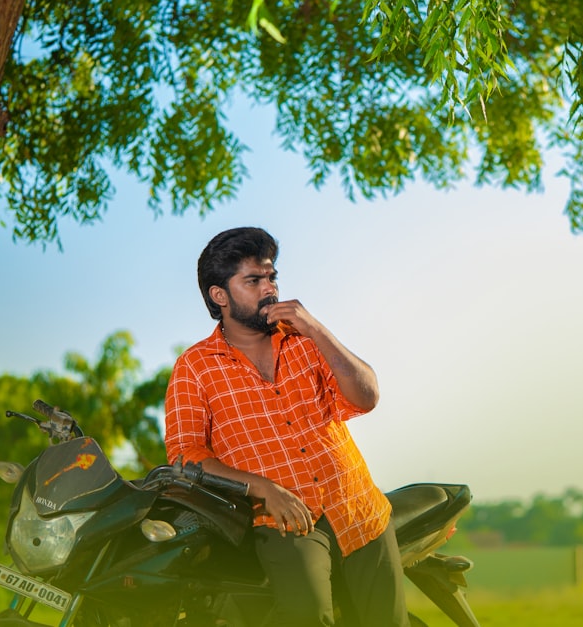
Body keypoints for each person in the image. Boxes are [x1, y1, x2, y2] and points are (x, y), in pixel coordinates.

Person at [164, 227, 410, 627]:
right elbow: (184, 455)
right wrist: (262, 489)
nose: (270, 289)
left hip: (358, 508)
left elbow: (366, 397)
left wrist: (316, 329)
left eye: (272, 277)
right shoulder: (195, 367)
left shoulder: (305, 341)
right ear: (219, 295)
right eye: (254, 280)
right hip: (282, 521)